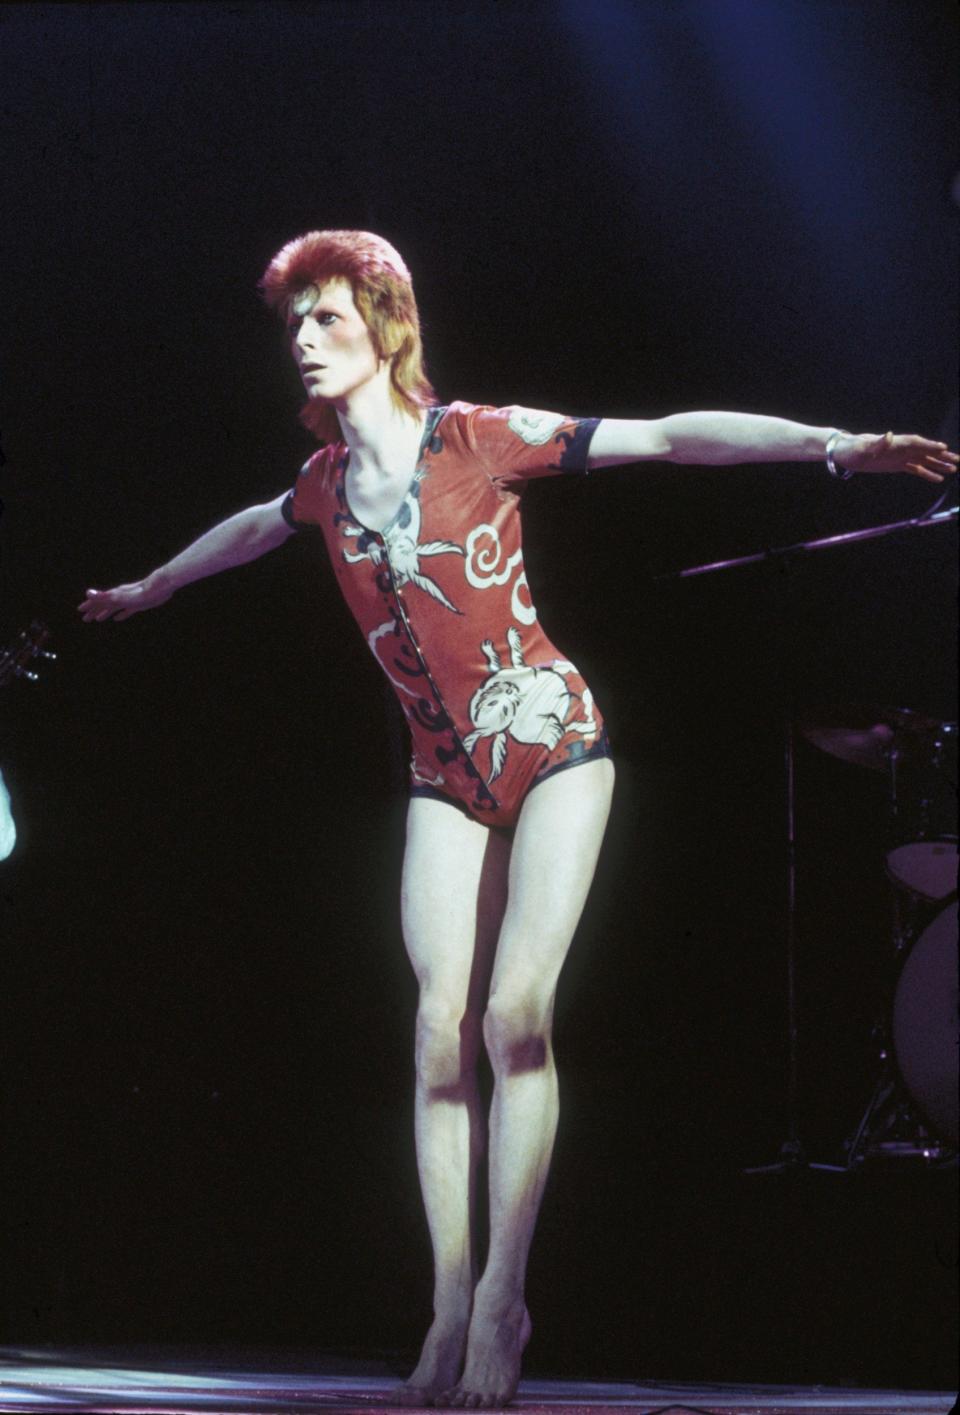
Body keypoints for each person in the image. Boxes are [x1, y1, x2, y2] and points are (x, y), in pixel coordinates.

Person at [79, 230, 957, 1407]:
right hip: (444, 770)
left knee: (513, 1014)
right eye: (293, 323)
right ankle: (448, 1300)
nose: (303, 341)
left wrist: (839, 448)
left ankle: (506, 1294)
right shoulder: (325, 487)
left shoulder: (477, 439)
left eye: (328, 319)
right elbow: (253, 524)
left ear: (387, 325)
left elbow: (664, 437)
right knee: (436, 1028)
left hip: (554, 743)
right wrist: (154, 586)